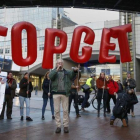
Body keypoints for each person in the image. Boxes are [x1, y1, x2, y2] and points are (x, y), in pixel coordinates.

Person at [49, 59, 78, 133]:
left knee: (65, 110)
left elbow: (73, 75)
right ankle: (58, 126)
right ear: (56, 64)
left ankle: (65, 126)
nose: (60, 64)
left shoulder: (67, 72)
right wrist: (56, 70)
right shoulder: (53, 71)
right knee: (57, 110)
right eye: (58, 63)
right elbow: (51, 77)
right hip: (56, 93)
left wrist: (75, 70)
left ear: (63, 64)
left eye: (61, 63)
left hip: (65, 93)